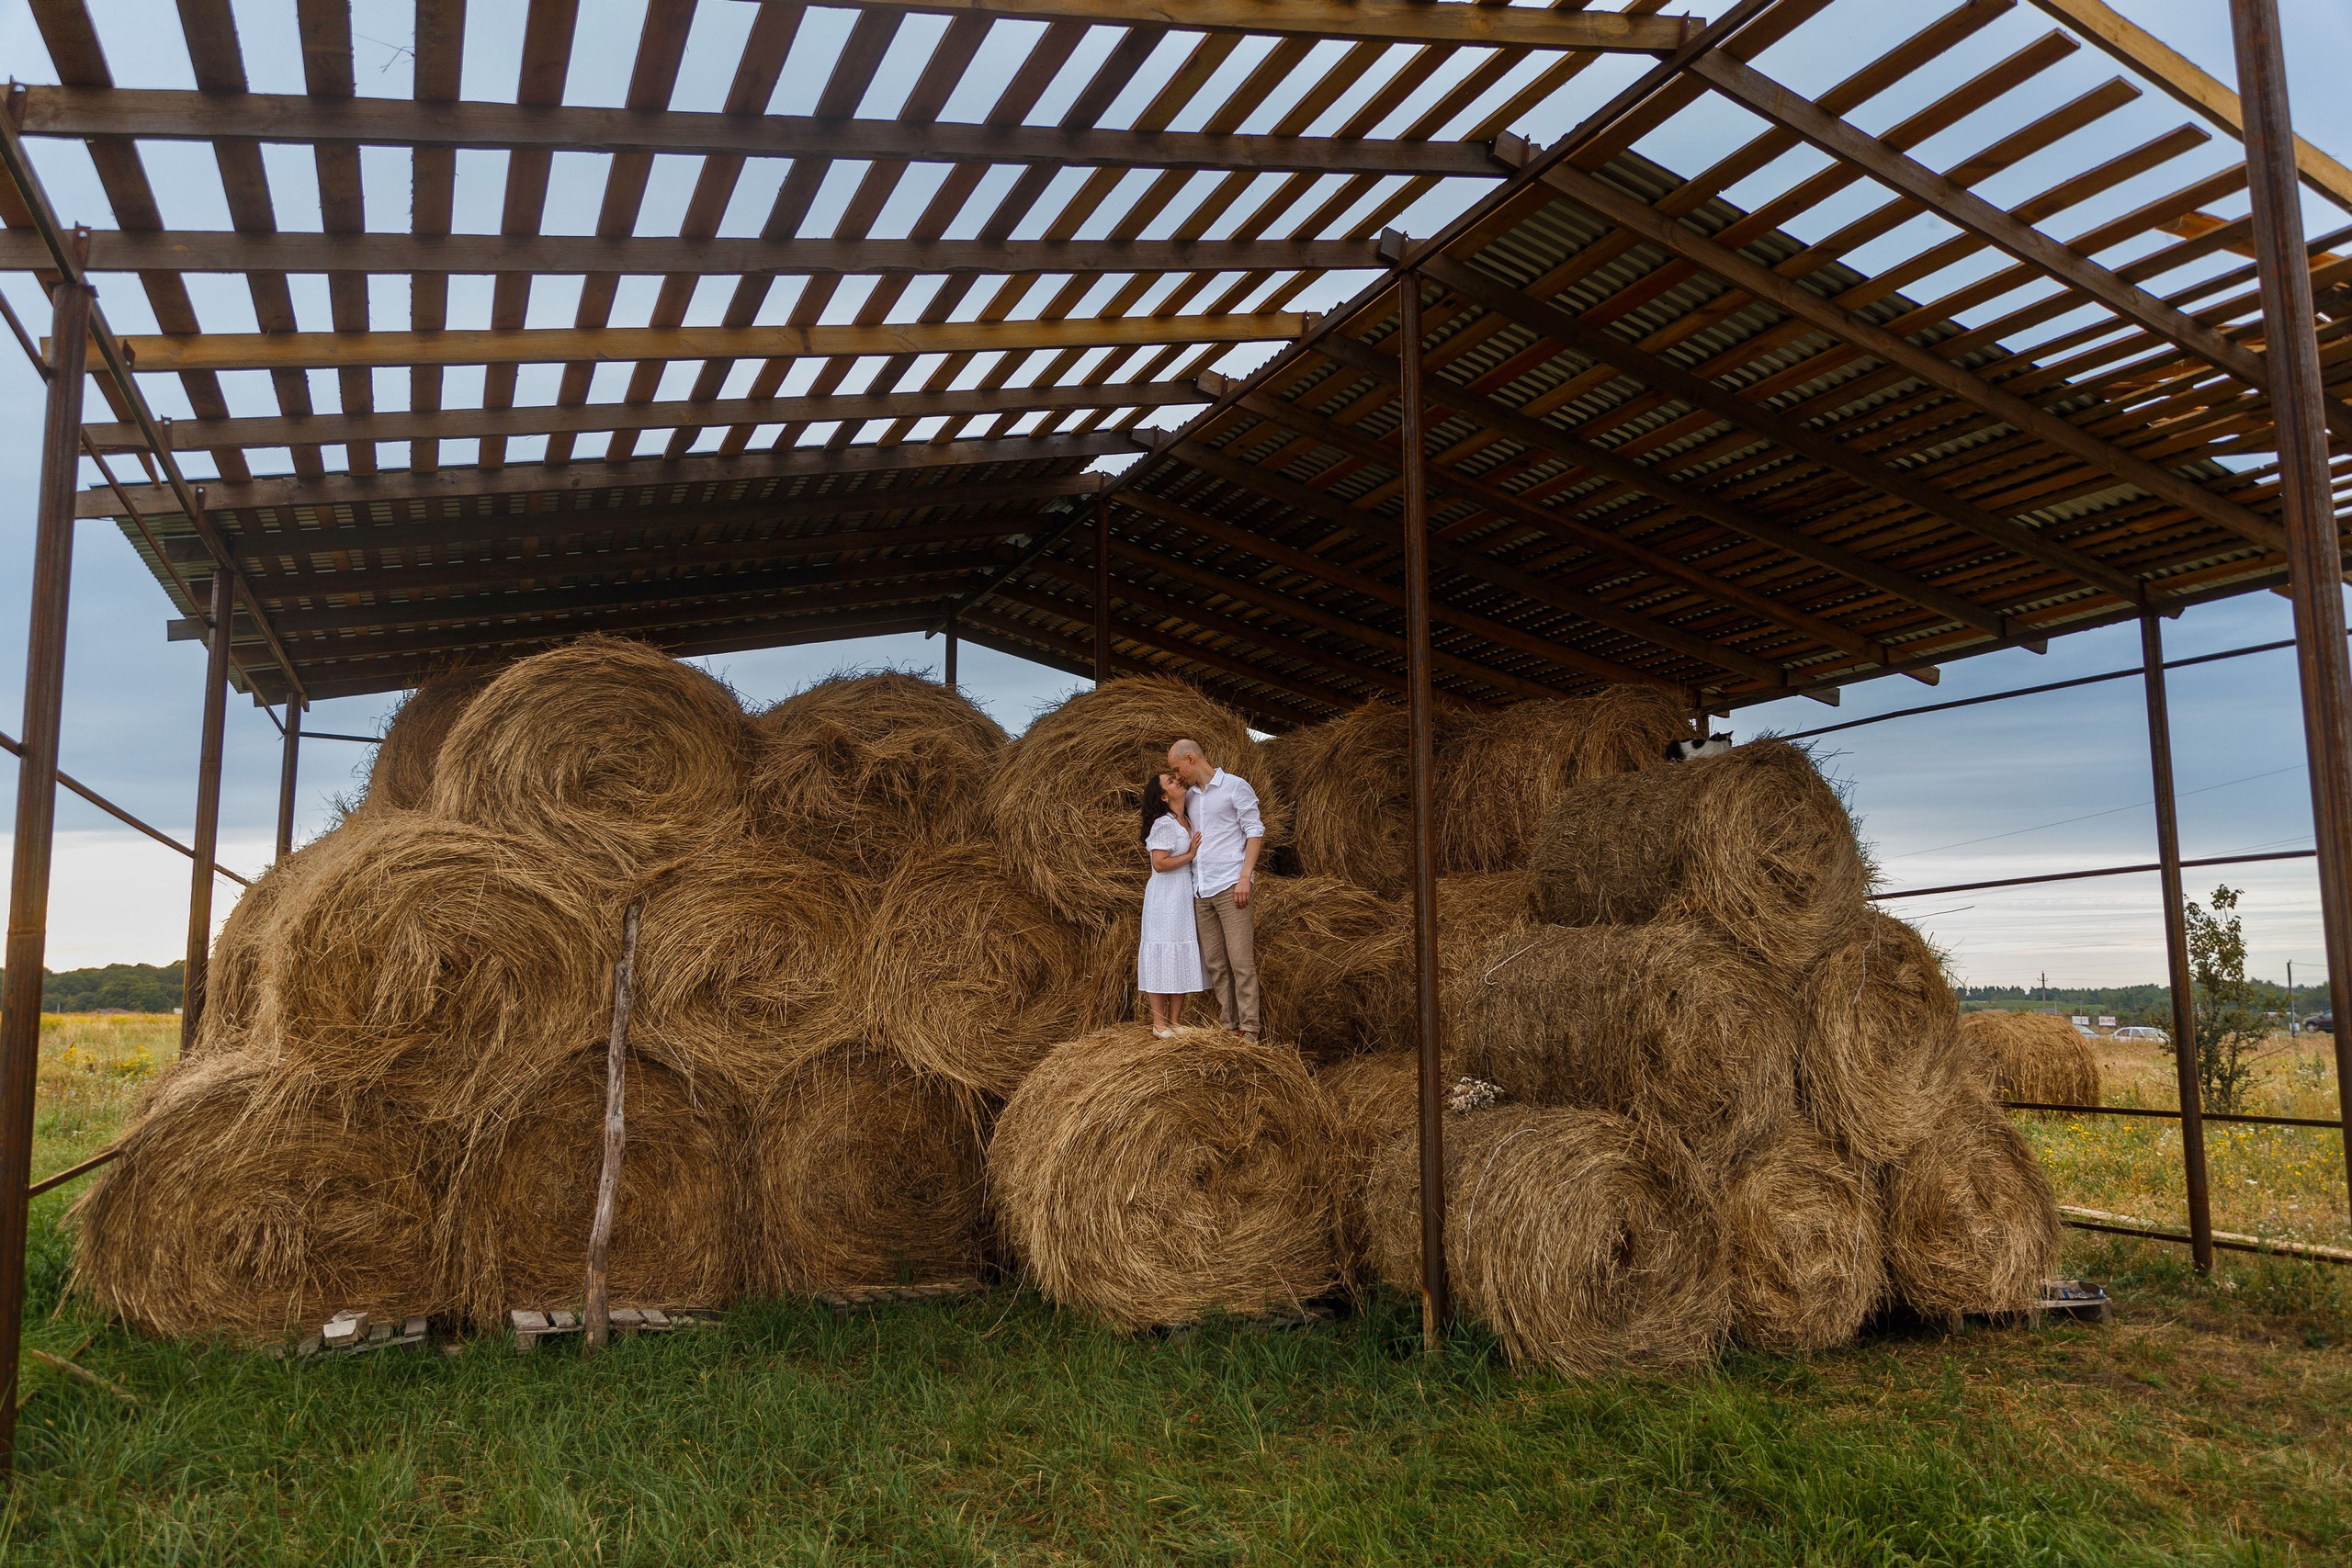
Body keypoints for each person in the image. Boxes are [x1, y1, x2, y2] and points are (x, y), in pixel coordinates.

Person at [1169, 737, 1265, 1040]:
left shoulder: (1235, 787)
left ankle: (1250, 1031)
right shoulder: (1191, 798)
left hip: (1230, 886)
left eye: (1177, 768)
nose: (1177, 774)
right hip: (1202, 890)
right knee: (1215, 965)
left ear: (1191, 759)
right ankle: (1229, 1026)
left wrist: (1244, 877)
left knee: (1241, 963)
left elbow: (1255, 831)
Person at [1136, 771, 1205, 1036]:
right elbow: (1159, 863)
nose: (1178, 780)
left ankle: (1175, 1022)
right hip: (1164, 896)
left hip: (1182, 895)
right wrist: (1190, 854)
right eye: (1170, 781)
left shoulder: (1186, 819)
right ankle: (1159, 1024)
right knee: (1161, 952)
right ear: (1164, 796)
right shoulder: (1164, 824)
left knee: (1180, 953)